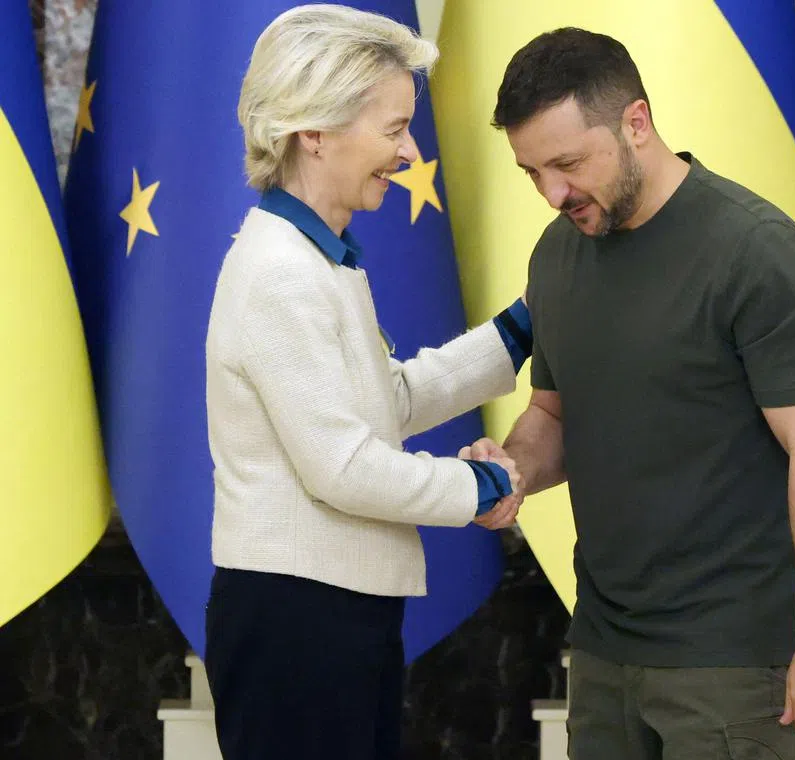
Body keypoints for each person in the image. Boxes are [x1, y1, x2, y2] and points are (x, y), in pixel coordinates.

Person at [465, 27, 795, 760]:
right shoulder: (557, 254)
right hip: (600, 649)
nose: (553, 194)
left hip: (734, 662)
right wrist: (515, 471)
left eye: (566, 164)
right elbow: (556, 412)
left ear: (637, 124)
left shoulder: (755, 251)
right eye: (531, 172)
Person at [202, 6, 527, 759]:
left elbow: (388, 404)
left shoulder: (319, 259)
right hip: (298, 622)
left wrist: (517, 334)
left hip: (330, 612)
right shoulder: (282, 272)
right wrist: (480, 488)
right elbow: (344, 468)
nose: (409, 151)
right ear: (314, 131)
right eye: (394, 129)